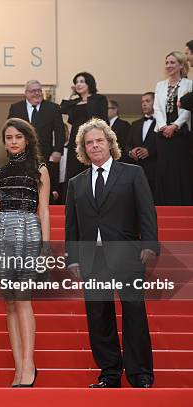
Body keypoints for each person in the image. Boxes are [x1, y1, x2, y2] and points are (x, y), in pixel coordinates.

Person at [65, 118, 158, 389]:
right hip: (92, 259)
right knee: (98, 315)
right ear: (83, 148)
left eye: (99, 141)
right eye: (89, 143)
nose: (95, 146)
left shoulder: (132, 173)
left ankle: (140, 374)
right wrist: (72, 257)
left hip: (128, 255)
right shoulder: (75, 183)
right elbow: (72, 225)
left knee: (134, 312)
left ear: (110, 143)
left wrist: (149, 245)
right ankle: (109, 373)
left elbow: (146, 213)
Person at [0, 118, 50, 387]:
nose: (13, 141)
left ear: (27, 139)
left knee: (22, 300)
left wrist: (46, 247)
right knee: (9, 303)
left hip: (28, 233)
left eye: (18, 137)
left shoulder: (40, 169)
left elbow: (44, 210)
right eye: (8, 137)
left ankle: (28, 365)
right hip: (3, 236)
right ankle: (17, 367)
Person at [8, 80, 65, 203]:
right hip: (21, 156)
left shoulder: (52, 108)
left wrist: (58, 151)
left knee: (45, 191)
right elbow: (9, 130)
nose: (37, 93)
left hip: (45, 156)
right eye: (33, 91)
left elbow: (60, 131)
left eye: (39, 90)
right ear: (26, 93)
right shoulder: (16, 108)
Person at [153, 51, 193, 205]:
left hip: (181, 133)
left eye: (172, 62)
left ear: (181, 65)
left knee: (180, 169)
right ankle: (163, 205)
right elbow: (157, 108)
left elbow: (188, 110)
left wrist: (175, 126)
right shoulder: (160, 85)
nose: (168, 65)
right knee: (164, 169)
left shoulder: (189, 84)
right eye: (167, 62)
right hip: (162, 133)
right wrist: (164, 126)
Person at [60, 72, 108, 189]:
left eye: (82, 81)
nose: (78, 84)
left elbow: (104, 120)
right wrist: (71, 94)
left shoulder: (99, 99)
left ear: (89, 83)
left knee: (90, 167)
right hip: (75, 139)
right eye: (76, 82)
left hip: (92, 137)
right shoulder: (75, 102)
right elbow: (62, 108)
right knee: (74, 169)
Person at [124, 93, 158, 196]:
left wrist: (150, 152)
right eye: (142, 102)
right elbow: (127, 145)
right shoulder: (135, 124)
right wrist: (131, 152)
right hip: (137, 170)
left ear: (155, 103)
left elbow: (165, 146)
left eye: (147, 101)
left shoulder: (162, 123)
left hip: (156, 171)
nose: (144, 104)